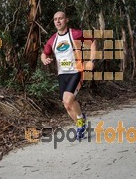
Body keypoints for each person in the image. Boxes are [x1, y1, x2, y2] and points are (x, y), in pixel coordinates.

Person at [41, 11, 96, 139]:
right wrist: (44, 59)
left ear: (66, 20)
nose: (58, 21)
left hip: (76, 72)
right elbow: (44, 53)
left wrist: (91, 61)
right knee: (66, 104)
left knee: (68, 99)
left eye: (60, 18)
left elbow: (92, 42)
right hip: (62, 75)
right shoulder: (52, 40)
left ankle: (81, 122)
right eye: (55, 19)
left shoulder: (75, 34)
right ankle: (81, 123)